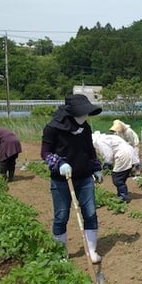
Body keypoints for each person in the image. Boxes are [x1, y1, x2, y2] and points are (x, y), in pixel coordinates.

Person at [40, 94, 103, 263]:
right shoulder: (52, 128)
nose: (85, 117)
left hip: (84, 177)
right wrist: (58, 163)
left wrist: (96, 168)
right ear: (71, 114)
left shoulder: (85, 128)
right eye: (82, 114)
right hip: (61, 180)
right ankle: (61, 253)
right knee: (61, 215)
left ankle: (91, 250)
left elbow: (90, 150)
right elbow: (44, 152)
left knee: (90, 213)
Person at [92, 131, 136, 202]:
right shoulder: (107, 137)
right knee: (121, 177)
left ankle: (123, 196)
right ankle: (121, 194)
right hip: (130, 152)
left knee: (117, 178)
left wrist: (106, 163)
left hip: (123, 155)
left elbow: (108, 154)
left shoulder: (100, 142)